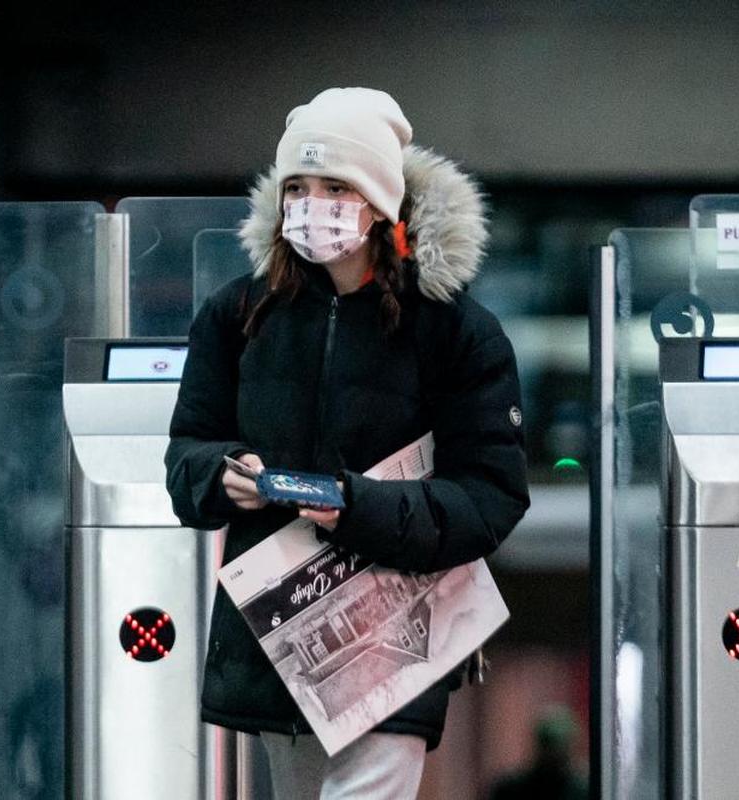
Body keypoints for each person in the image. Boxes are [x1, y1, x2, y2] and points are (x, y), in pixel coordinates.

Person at [165, 86, 530, 799]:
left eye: (337, 186)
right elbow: (186, 456)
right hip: (279, 640)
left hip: (395, 637)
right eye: (296, 187)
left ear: (381, 201)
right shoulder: (238, 314)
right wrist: (221, 473)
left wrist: (355, 505)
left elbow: (490, 496)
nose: (312, 206)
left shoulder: (453, 330)